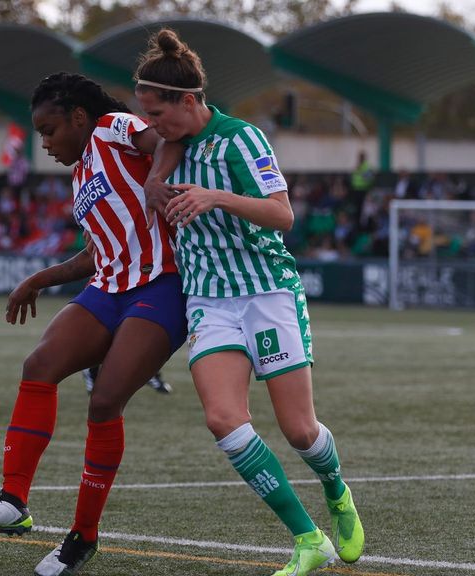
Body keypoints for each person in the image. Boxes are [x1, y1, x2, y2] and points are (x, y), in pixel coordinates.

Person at [134, 30, 364, 576]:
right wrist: (153, 182)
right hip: (210, 301)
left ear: (188, 101)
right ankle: (308, 539)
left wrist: (215, 196)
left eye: (158, 113)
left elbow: (283, 216)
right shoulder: (170, 143)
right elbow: (159, 149)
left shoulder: (242, 140)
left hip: (266, 294)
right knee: (223, 419)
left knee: (299, 431)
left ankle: (335, 489)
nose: (152, 126)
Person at [0, 72, 185, 576]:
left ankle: (82, 538)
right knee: (39, 365)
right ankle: (15, 501)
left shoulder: (112, 128)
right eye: (39, 133)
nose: (44, 143)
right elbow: (96, 252)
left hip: (162, 285)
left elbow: (169, 138)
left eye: (49, 130)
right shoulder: (82, 171)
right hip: (108, 287)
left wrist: (156, 178)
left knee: (106, 399)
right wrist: (38, 279)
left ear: (79, 118)